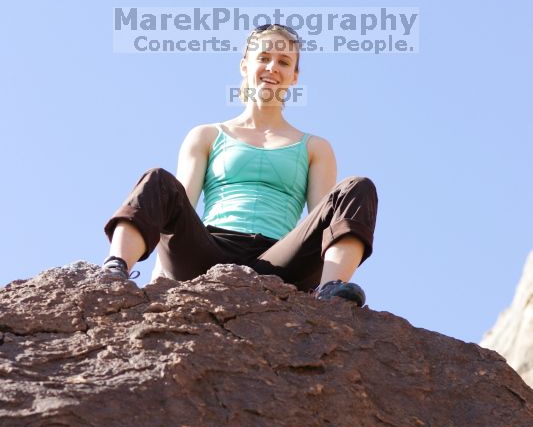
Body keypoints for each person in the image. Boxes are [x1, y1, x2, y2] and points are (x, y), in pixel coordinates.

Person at [102, 24, 378, 305]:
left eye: (284, 62)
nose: (272, 67)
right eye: (264, 57)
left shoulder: (315, 147)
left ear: (294, 77)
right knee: (157, 179)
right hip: (207, 253)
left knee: (357, 187)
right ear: (244, 65)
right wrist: (155, 287)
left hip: (280, 262)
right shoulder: (207, 135)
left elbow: (324, 224)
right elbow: (174, 208)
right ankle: (115, 267)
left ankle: (331, 289)